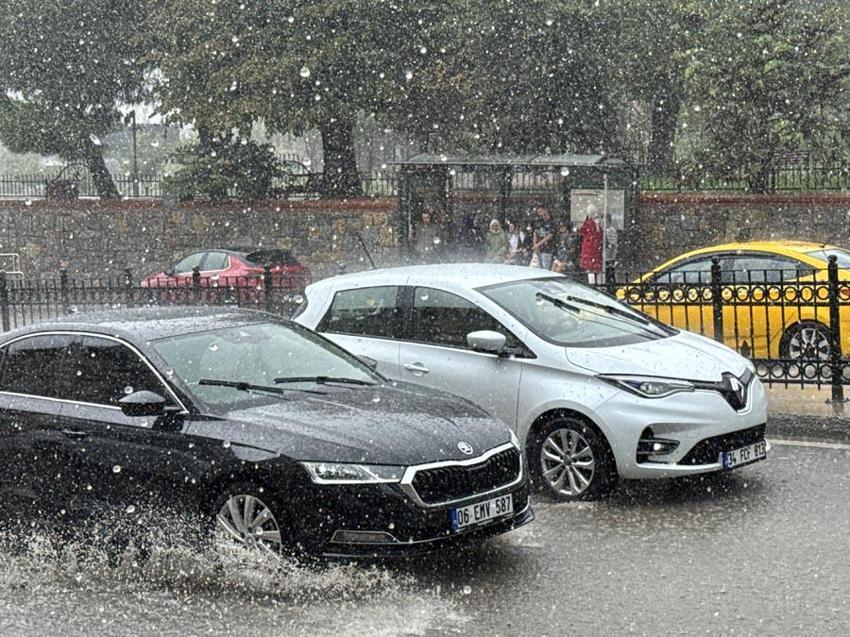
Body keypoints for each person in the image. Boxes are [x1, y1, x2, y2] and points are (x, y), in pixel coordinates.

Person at [579, 205, 603, 284]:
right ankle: (600, 285)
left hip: (589, 249)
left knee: (590, 270)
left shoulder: (589, 223)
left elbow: (581, 231)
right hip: (597, 248)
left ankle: (592, 285)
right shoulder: (598, 223)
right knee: (598, 269)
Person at [532, 205, 556, 270]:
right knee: (538, 268)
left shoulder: (552, 222)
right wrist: (535, 245)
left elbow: (549, 236)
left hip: (547, 249)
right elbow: (535, 233)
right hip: (539, 249)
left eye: (540, 211)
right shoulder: (539, 222)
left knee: (545, 268)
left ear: (545, 210)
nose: (539, 214)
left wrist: (537, 244)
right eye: (538, 212)